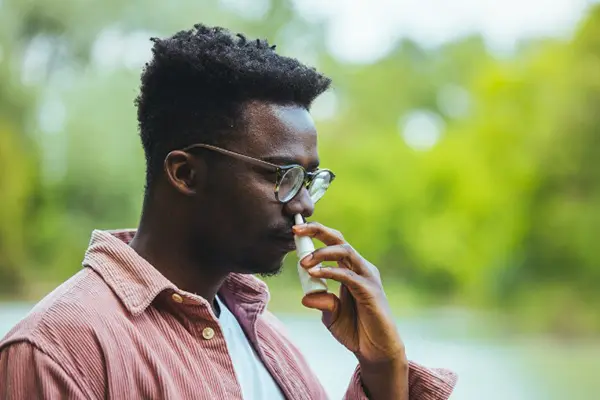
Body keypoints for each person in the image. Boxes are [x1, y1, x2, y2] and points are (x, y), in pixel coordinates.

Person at [0, 24, 457, 399]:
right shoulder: (55, 353)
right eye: (281, 176)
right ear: (186, 174)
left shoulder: (264, 334)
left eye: (310, 179)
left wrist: (383, 368)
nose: (304, 205)